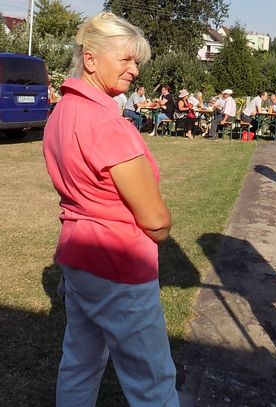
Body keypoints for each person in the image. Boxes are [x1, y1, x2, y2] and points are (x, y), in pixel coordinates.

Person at [42, 12, 179, 406]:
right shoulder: (107, 125)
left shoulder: (63, 111)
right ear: (90, 59)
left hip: (78, 256)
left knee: (80, 362)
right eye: (126, 59)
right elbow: (155, 220)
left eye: (137, 61)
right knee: (152, 381)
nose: (135, 69)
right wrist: (161, 230)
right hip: (119, 265)